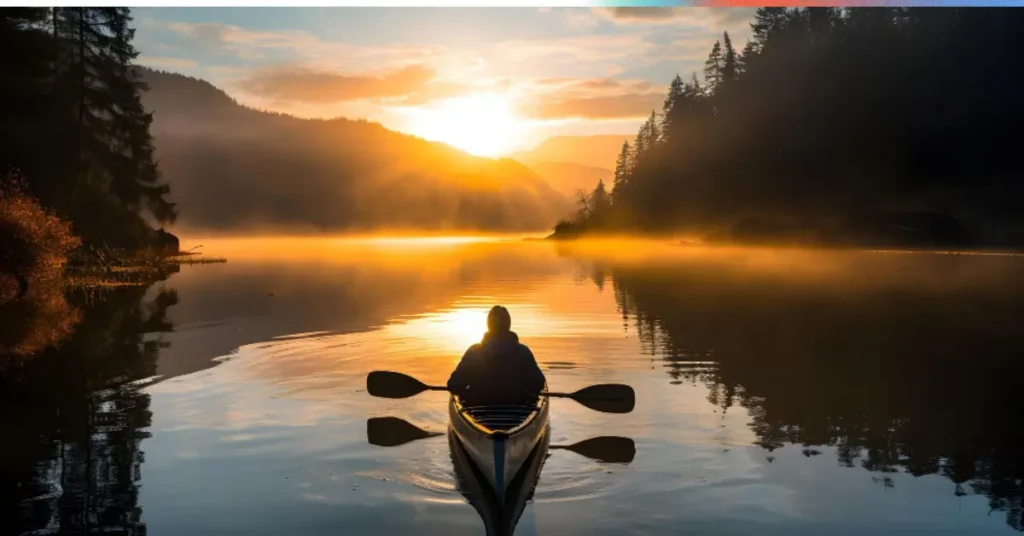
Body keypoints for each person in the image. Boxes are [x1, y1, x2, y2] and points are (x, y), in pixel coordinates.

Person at [447, 305, 546, 406]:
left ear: (488, 325)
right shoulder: (523, 352)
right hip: (516, 408)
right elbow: (538, 383)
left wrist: (464, 393)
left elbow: (454, 384)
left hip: (479, 408)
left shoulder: (473, 352)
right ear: (508, 324)